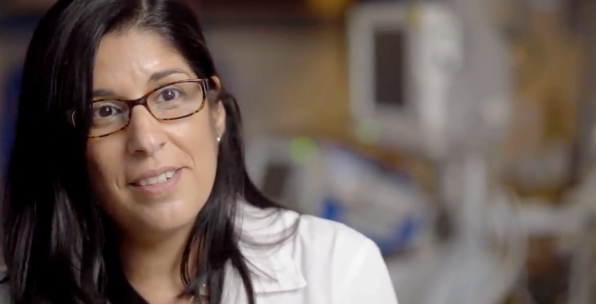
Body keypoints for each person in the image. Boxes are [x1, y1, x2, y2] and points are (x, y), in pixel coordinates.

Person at [0, 0, 398, 303]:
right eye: (105, 111)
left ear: (216, 111)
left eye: (170, 94)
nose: (146, 138)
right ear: (61, 144)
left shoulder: (335, 270)